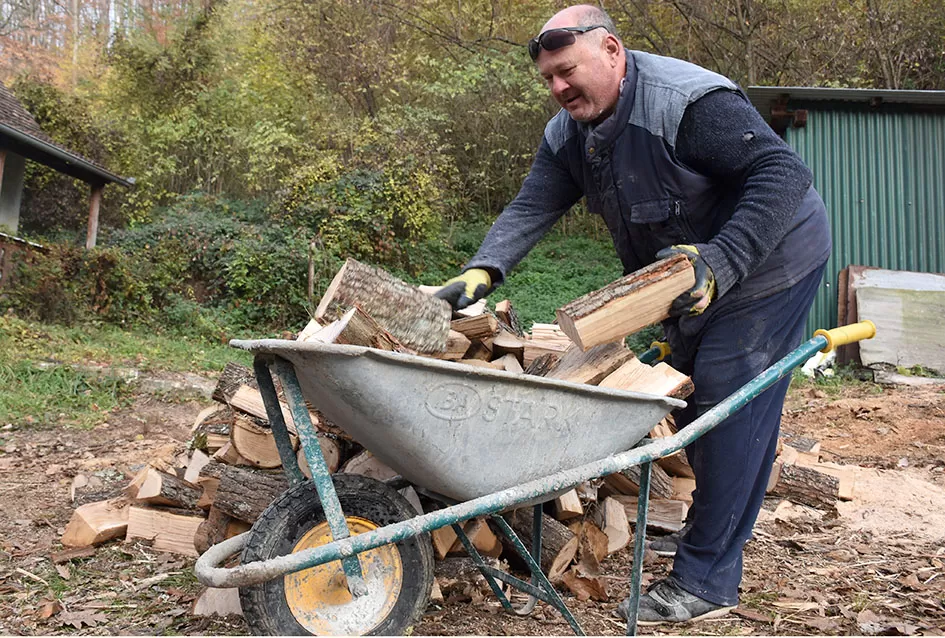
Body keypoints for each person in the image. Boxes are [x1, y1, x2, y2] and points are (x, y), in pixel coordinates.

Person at [434, 3, 830, 625]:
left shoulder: (688, 104)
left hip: (768, 261)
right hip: (683, 276)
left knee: (729, 400)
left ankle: (706, 581)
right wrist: (484, 270)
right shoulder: (570, 134)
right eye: (548, 79)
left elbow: (782, 173)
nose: (559, 88)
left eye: (568, 70)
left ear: (612, 51)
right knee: (687, 397)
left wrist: (724, 261)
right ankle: (718, 528)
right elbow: (533, 203)